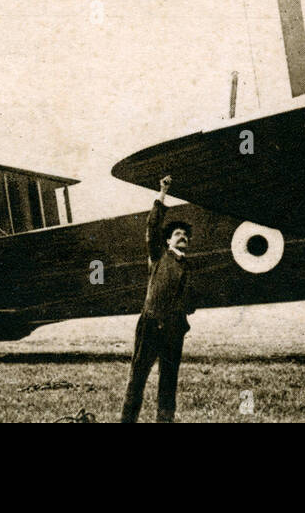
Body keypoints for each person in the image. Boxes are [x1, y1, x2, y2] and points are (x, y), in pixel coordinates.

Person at [121, 175, 193, 423]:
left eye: (185, 234)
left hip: (174, 331)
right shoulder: (159, 256)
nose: (182, 236)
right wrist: (162, 192)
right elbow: (152, 226)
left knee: (168, 385)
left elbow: (190, 301)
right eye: (177, 234)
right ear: (167, 240)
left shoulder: (187, 267)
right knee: (137, 379)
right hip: (151, 326)